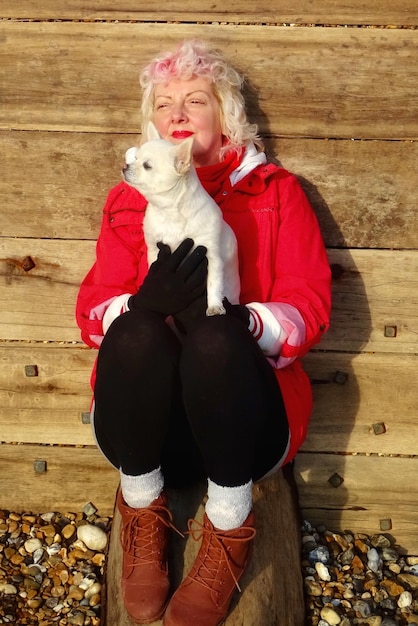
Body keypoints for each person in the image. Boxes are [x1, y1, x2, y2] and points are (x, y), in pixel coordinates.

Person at [76, 39, 331, 626]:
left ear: (225, 115)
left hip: (242, 427)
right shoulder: (128, 198)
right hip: (149, 428)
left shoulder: (274, 193)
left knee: (217, 339)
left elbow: (309, 304)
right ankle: (141, 509)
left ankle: (228, 528)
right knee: (137, 334)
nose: (178, 113)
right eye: (164, 104)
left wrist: (249, 322)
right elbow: (93, 310)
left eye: (196, 99)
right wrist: (141, 306)